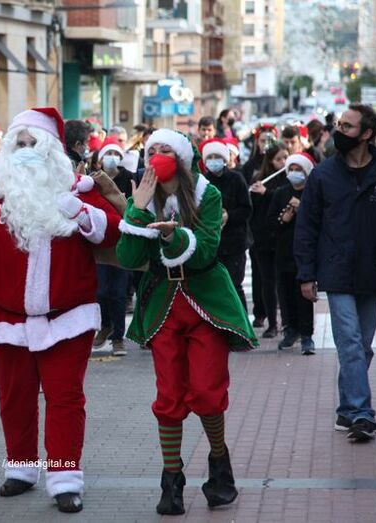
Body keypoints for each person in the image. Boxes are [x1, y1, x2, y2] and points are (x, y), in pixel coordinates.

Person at [0, 107, 122, 513]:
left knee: (65, 398)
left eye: (35, 142)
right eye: (20, 142)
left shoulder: (77, 187)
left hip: (68, 318)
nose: (27, 149)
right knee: (13, 396)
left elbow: (111, 232)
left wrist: (80, 212)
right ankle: (21, 468)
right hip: (7, 319)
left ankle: (65, 478)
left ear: (52, 148)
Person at [116, 129, 256, 515]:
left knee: (208, 393)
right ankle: (172, 479)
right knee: (169, 397)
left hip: (205, 301)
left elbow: (206, 251)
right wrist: (136, 210)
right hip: (163, 303)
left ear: (182, 158)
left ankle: (219, 462)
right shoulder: (142, 195)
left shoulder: (207, 195)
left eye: (166, 150)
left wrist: (173, 237)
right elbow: (128, 258)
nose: (158, 156)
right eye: (152, 150)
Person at [295, 104, 376, 442]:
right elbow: (307, 227)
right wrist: (306, 273)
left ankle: (347, 411)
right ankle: (362, 414)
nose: (340, 130)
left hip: (372, 272)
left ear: (366, 134)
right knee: (349, 342)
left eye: (348, 126)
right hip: (336, 271)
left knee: (361, 346)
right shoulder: (323, 174)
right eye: (339, 124)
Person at [269, 153, 315, 355]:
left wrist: (302, 208)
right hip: (284, 251)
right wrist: (283, 219)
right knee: (285, 293)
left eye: (299, 170)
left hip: (304, 252)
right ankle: (290, 329)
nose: (295, 173)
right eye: (292, 169)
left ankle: (306, 334)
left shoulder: (312, 192)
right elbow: (271, 222)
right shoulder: (281, 193)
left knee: (304, 293)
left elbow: (318, 218)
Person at [91, 137, 133, 356]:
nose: (112, 158)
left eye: (116, 154)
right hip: (100, 243)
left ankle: (118, 338)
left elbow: (135, 207)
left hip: (122, 243)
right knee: (100, 291)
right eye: (108, 153)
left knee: (117, 292)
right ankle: (105, 325)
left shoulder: (130, 178)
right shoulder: (93, 180)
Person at [201, 139, 252, 310]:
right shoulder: (202, 182)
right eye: (210, 157)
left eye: (217, 157)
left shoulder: (236, 179)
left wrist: (228, 215)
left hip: (234, 243)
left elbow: (246, 209)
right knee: (214, 287)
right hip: (212, 244)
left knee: (234, 286)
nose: (213, 161)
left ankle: (241, 321)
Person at [248, 142, 288, 337]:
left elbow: (286, 201)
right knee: (268, 282)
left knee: (285, 281)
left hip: (283, 238)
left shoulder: (289, 179)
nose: (283, 162)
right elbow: (253, 211)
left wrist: (268, 193)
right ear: (270, 161)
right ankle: (272, 323)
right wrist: (256, 194)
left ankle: (289, 323)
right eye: (279, 159)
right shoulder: (259, 179)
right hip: (263, 239)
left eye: (285, 158)